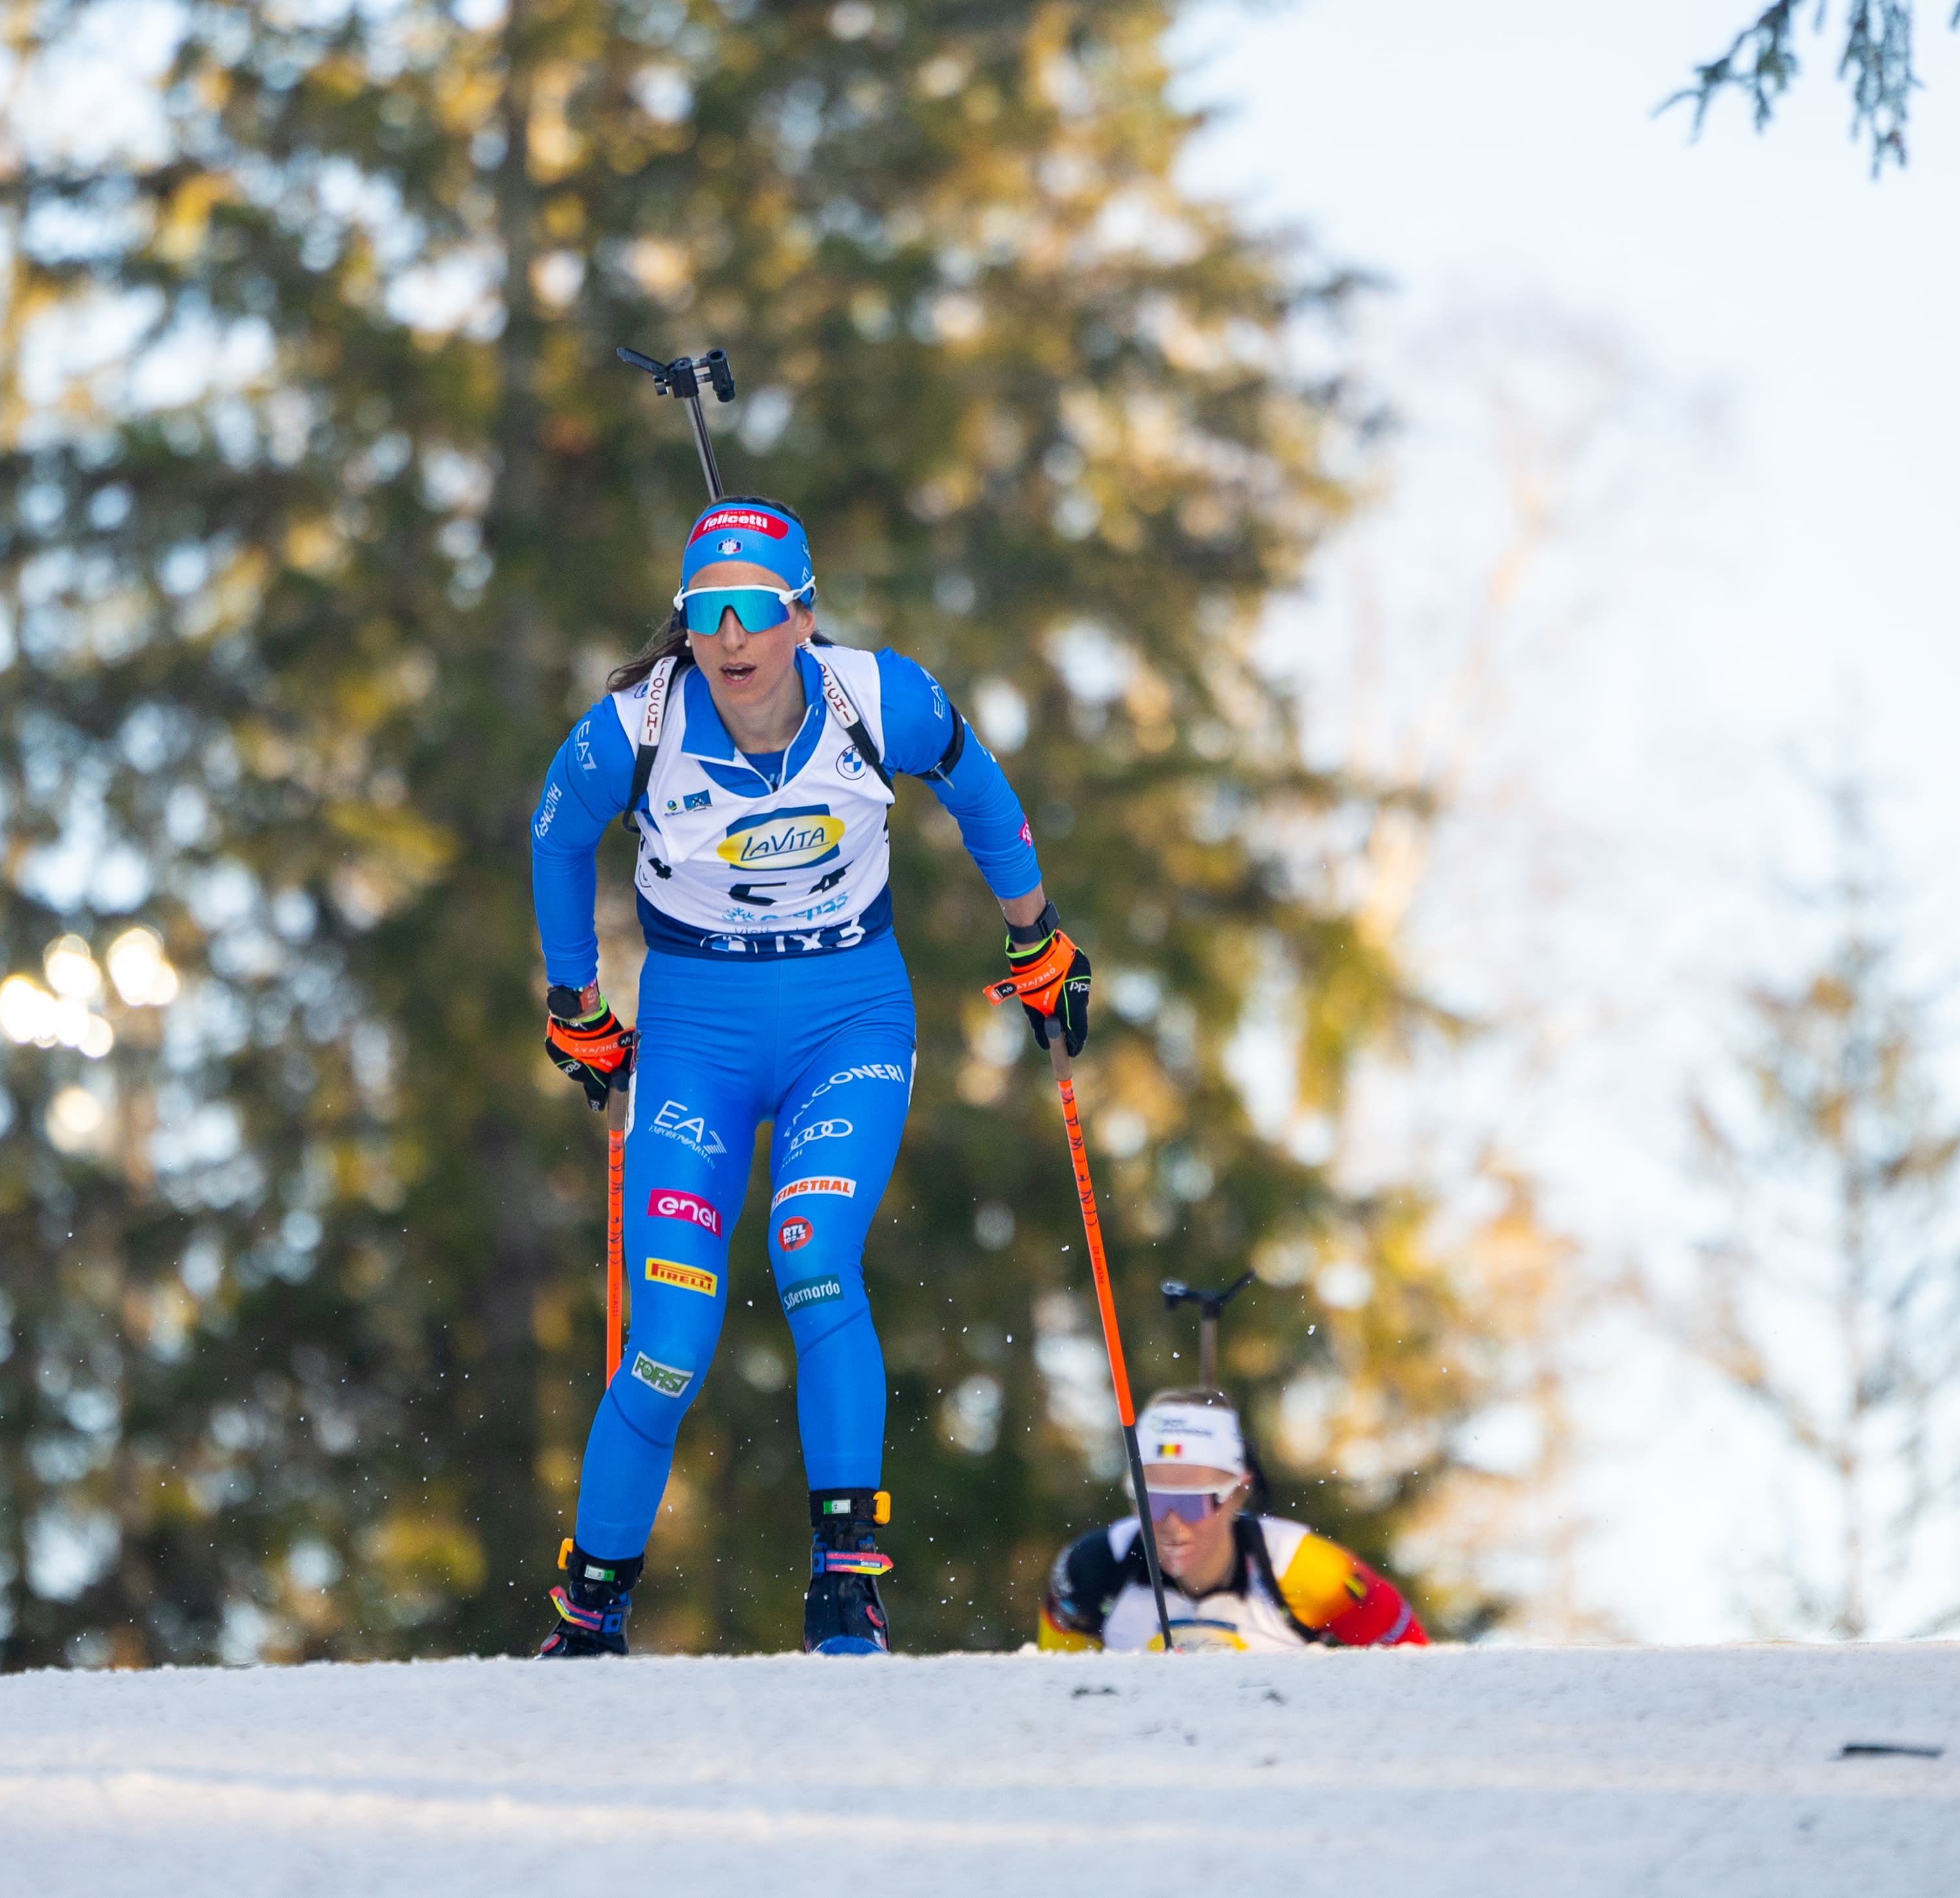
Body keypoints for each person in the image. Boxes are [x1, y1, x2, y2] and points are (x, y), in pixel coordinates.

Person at [529, 495, 1089, 1656]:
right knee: (667, 1342)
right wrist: (575, 1002)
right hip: (696, 1038)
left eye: (755, 609)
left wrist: (1035, 936)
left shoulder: (880, 699)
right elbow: (556, 837)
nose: (731, 637)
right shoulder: (635, 728)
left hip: (848, 1020)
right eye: (707, 612)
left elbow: (982, 794)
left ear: (802, 615)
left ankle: (846, 1588)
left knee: (814, 1257)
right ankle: (591, 1612)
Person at [1037, 1390, 1427, 1652]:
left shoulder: (1307, 1569)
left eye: (1193, 1504)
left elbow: (1414, 1670)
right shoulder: (1090, 1571)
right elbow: (1058, 1700)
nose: (1173, 1524)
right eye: (1152, 1501)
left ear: (1239, 1492)